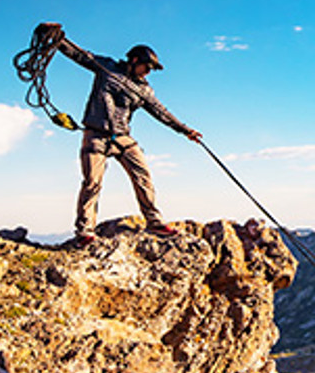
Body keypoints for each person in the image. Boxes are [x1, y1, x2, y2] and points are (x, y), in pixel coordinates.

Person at [39, 23, 202, 247]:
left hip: (122, 137)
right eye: (147, 66)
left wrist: (185, 131)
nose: (148, 71)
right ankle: (85, 231)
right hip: (95, 135)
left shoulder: (144, 90)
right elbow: (80, 55)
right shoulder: (107, 67)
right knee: (92, 183)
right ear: (134, 60)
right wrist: (56, 39)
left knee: (143, 176)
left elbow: (161, 112)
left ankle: (154, 222)